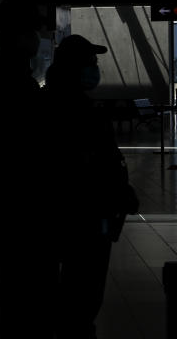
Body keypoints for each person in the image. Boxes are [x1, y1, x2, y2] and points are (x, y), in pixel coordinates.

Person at [0, 2, 54, 338]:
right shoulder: (12, 83)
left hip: (10, 191)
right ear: (18, 38)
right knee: (27, 285)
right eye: (31, 33)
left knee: (13, 286)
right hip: (23, 195)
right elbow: (31, 141)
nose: (36, 40)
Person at [43, 35, 138, 338]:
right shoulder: (77, 109)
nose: (95, 69)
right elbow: (92, 162)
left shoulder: (49, 101)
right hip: (84, 213)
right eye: (90, 63)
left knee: (71, 287)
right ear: (74, 68)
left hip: (69, 211)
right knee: (83, 286)